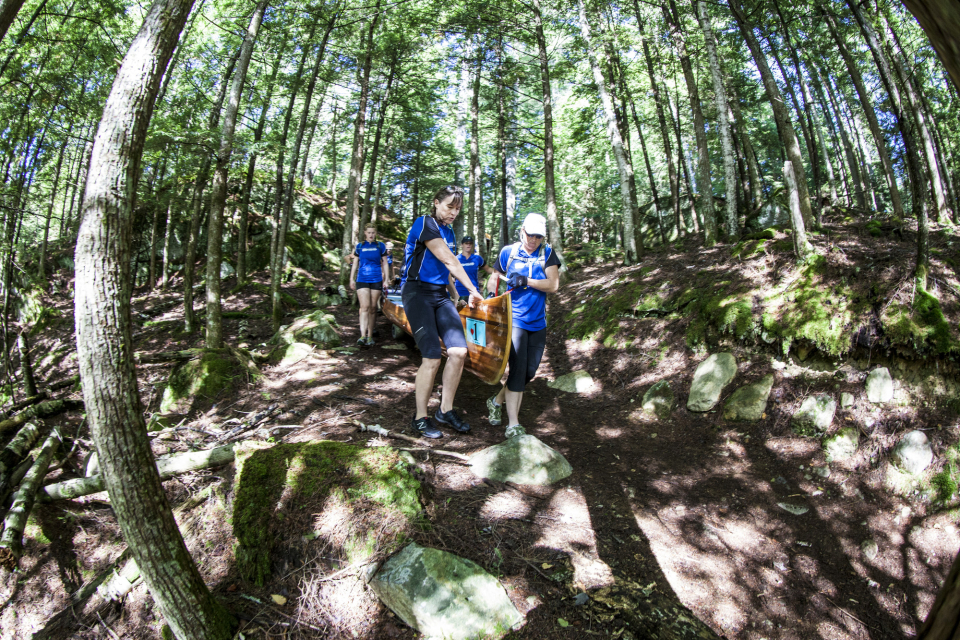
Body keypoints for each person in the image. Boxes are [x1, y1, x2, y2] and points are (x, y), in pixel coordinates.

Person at [401, 186, 484, 438]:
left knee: (458, 352)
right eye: (449, 206)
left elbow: (444, 269)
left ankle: (445, 410)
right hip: (417, 293)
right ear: (436, 202)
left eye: (458, 209)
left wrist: (456, 294)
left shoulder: (448, 231)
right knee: (433, 357)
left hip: (440, 294)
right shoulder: (424, 223)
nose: (453, 213)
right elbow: (449, 260)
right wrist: (472, 290)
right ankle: (420, 417)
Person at [485, 213, 560, 438]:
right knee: (517, 370)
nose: (533, 240)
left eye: (538, 236)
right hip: (514, 319)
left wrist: (526, 281)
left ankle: (496, 400)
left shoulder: (547, 254)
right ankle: (513, 424)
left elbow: (553, 285)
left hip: (537, 323)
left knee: (529, 371)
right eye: (530, 235)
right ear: (522, 231)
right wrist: (490, 295)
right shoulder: (509, 252)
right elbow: (495, 276)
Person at [350, 224, 389, 346]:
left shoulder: (380, 246)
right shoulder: (360, 246)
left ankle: (370, 335)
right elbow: (355, 263)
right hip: (362, 279)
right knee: (364, 307)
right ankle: (362, 335)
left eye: (373, 232)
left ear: (375, 233)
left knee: (373, 308)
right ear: (365, 233)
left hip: (376, 279)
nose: (371, 235)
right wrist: (351, 278)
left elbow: (385, 263)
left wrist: (386, 280)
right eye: (369, 232)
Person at [450, 236, 495, 308]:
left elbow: (488, 269)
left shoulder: (477, 258)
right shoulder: (456, 259)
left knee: (474, 317)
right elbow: (449, 274)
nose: (468, 245)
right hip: (460, 292)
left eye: (470, 243)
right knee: (460, 316)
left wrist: (499, 272)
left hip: (474, 292)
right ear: (462, 245)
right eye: (466, 243)